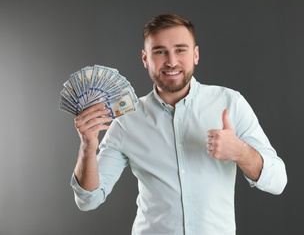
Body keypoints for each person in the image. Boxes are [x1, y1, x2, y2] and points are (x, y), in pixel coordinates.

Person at [71, 13, 287, 235]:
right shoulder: (127, 120)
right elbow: (88, 200)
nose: (171, 61)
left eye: (180, 50)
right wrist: (88, 146)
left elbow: (278, 181)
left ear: (195, 55)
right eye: (160, 51)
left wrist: (240, 151)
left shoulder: (230, 103)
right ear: (145, 58)